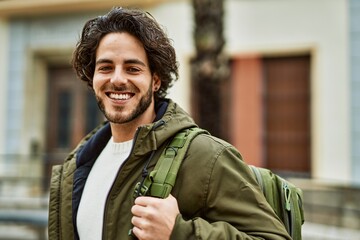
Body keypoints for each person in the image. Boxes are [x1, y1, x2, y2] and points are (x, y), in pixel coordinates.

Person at [48, 6, 292, 240]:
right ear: (93, 79)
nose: (118, 79)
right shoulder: (78, 165)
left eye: (133, 68)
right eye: (106, 67)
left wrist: (178, 233)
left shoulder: (206, 157)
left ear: (155, 81)